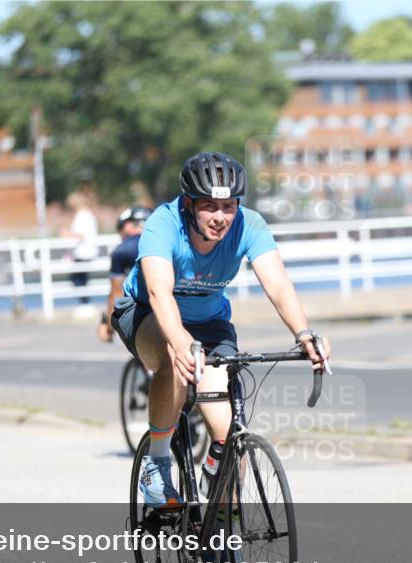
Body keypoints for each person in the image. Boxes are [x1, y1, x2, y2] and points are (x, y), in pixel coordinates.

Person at [111, 152, 331, 512]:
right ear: (188, 204)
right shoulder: (163, 224)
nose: (220, 217)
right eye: (210, 206)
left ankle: (223, 545)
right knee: (173, 354)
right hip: (147, 313)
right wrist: (181, 342)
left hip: (209, 323)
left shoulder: (250, 225)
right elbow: (158, 292)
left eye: (228, 206)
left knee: (230, 438)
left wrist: (304, 334)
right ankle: (157, 463)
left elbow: (277, 283)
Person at [98, 205, 150, 342]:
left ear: (127, 225)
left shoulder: (121, 250)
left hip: (145, 312)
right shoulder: (167, 242)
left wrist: (109, 326)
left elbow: (116, 293)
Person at [61, 192, 99, 312]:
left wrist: (67, 233)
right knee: (80, 278)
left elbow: (81, 234)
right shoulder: (86, 214)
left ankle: (85, 303)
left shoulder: (83, 215)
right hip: (83, 251)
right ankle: (85, 303)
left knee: (77, 278)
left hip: (84, 251)